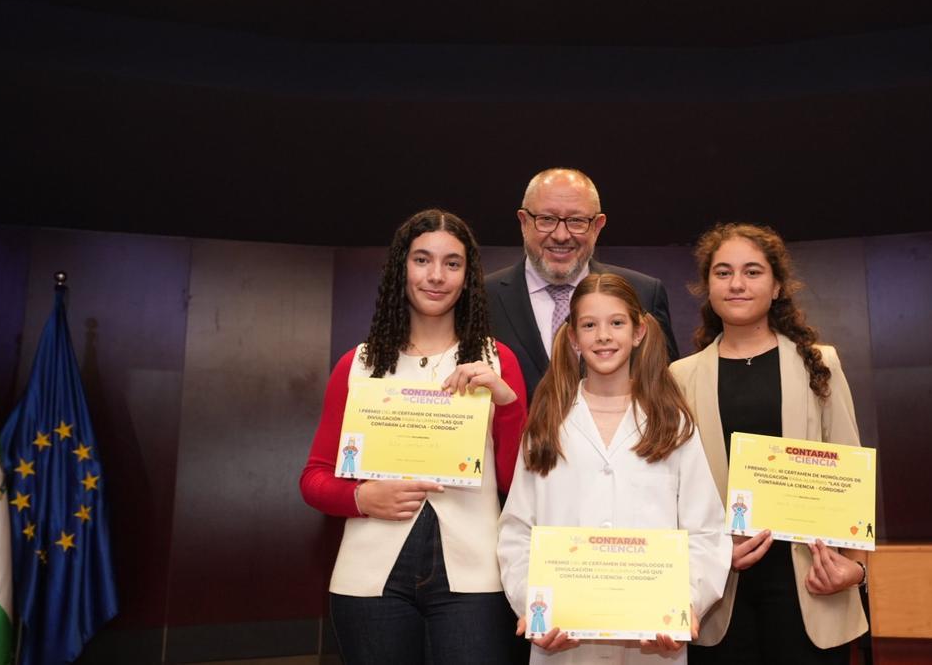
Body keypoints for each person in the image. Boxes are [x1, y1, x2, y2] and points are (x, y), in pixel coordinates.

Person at [299, 209, 527, 665]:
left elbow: (517, 483)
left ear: (468, 276)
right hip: (369, 580)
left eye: (452, 263)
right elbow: (314, 478)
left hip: (474, 580)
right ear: (401, 267)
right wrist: (363, 498)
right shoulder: (358, 364)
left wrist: (506, 403)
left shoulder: (495, 363)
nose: (436, 276)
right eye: (422, 260)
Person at [498, 273, 730, 664]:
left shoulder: (672, 423)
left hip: (654, 641)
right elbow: (518, 530)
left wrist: (684, 605)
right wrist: (534, 605)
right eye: (589, 325)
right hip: (564, 640)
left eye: (617, 323)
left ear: (639, 331)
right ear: (573, 338)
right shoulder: (546, 423)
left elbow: (705, 530)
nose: (603, 336)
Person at [669, 223, 868, 665]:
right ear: (707, 287)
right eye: (723, 273)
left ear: (777, 286)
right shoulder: (680, 377)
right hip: (721, 590)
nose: (737, 284)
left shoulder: (820, 362)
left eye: (752, 272)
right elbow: (672, 490)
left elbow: (850, 467)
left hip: (810, 584)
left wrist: (855, 568)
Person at [485, 168, 679, 401]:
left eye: (576, 221)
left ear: (597, 226)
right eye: (546, 219)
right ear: (524, 222)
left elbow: (664, 393)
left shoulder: (644, 294)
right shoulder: (483, 297)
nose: (561, 235)